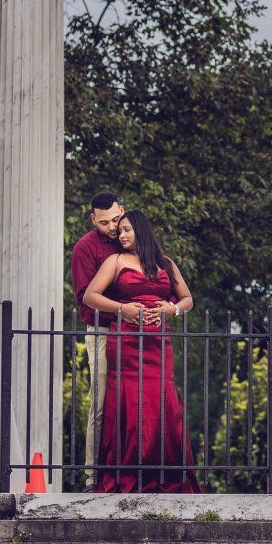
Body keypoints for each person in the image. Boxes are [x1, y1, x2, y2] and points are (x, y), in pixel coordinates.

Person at [82, 209, 200, 493]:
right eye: (119, 231)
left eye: (126, 230)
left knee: (162, 401)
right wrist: (123, 309)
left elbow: (187, 299)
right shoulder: (115, 261)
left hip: (158, 342)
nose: (121, 235)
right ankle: (126, 473)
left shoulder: (166, 263)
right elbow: (90, 296)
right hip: (126, 340)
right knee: (128, 403)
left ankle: (163, 473)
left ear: (141, 231)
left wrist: (170, 309)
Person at [70, 192, 126, 474]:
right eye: (104, 223)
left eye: (116, 219)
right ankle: (93, 474)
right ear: (93, 219)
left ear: (123, 211)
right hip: (102, 331)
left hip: (132, 333)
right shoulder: (85, 248)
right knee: (101, 403)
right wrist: (122, 310)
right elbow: (85, 299)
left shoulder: (130, 240)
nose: (112, 227)